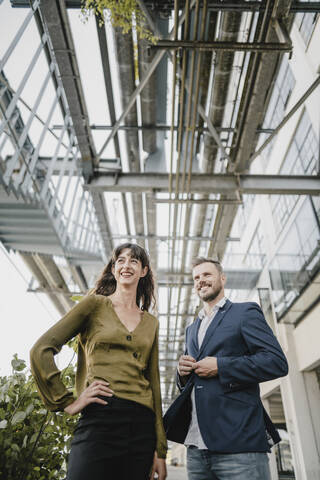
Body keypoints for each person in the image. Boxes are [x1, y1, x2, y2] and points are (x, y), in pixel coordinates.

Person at [30, 243, 167, 480]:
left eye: (134, 261)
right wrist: (67, 402)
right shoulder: (94, 305)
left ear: (143, 271)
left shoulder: (151, 323)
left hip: (141, 427)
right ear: (113, 269)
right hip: (101, 416)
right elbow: (41, 349)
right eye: (121, 260)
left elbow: (153, 383)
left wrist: (160, 449)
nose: (126, 265)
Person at [177, 257, 288, 480]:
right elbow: (192, 385)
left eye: (207, 275)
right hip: (196, 449)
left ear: (222, 278)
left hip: (239, 446)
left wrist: (221, 366)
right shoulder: (192, 329)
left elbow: (276, 361)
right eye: (196, 278)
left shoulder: (244, 312)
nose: (201, 281)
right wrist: (182, 374)